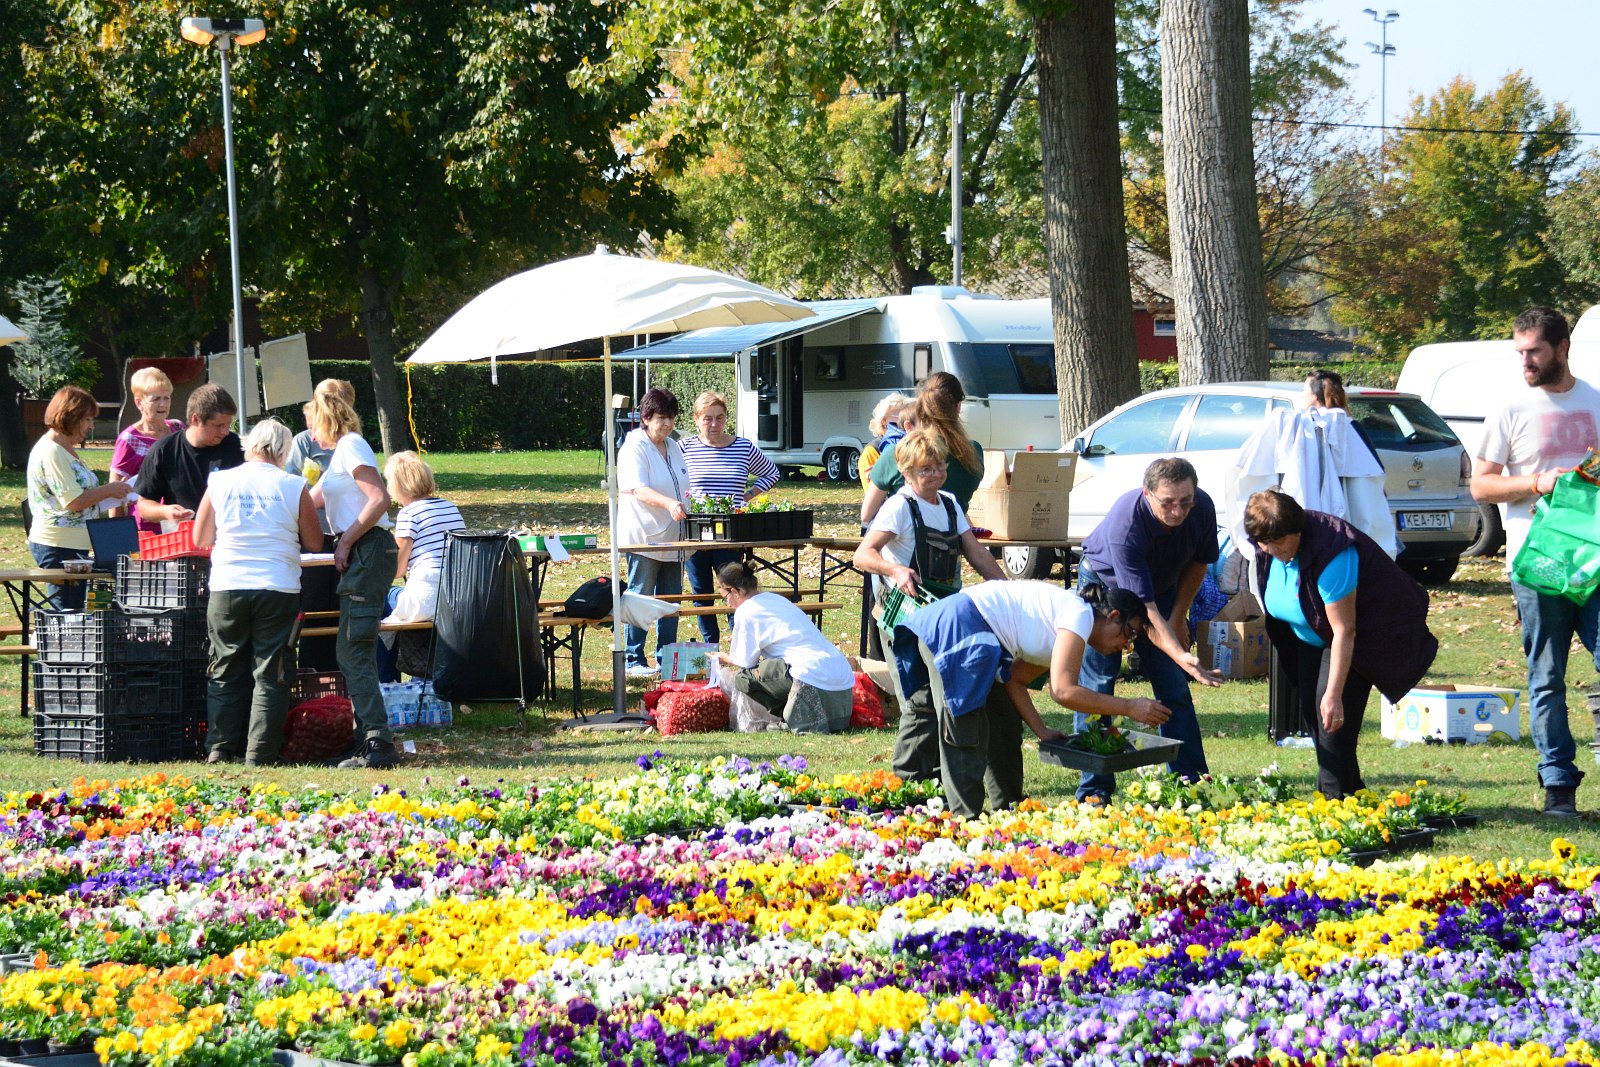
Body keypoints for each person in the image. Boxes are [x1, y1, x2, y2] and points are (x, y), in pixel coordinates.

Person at [888, 579, 1171, 817]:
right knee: (965, 731)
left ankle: (1006, 810)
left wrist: (1042, 731)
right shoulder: (1079, 616)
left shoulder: (1068, 623)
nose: (1126, 645)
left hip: (963, 630)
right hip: (962, 628)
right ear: (1112, 616)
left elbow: (1015, 679)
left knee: (1002, 721)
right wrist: (1129, 707)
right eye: (1129, 632)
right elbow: (1062, 691)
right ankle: (965, 823)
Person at [1470, 306, 1600, 818]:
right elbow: (1481, 484)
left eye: (1534, 352)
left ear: (1562, 348)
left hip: (1593, 561)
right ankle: (1558, 786)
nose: (1525, 361)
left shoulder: (1595, 401)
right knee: (1546, 675)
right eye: (1520, 352)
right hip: (1538, 562)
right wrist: (1534, 482)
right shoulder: (1510, 408)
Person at [1244, 489, 1438, 799]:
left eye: (1277, 543)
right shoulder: (1268, 544)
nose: (1269, 550)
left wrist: (1334, 693)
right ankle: (1352, 793)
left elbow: (1344, 630)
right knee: (1313, 711)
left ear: (1298, 532)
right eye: (1263, 543)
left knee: (1331, 718)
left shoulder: (1333, 552)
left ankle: (1332, 801)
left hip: (1359, 638)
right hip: (1310, 635)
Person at [854, 429, 1008, 784]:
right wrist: (895, 569)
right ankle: (906, 780)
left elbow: (976, 553)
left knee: (949, 697)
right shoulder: (899, 506)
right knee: (919, 701)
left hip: (944, 615)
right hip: (904, 617)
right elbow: (864, 555)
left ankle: (937, 775)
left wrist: (1007, 590)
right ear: (906, 473)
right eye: (926, 470)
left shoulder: (950, 503)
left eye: (939, 466)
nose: (936, 474)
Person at [1075, 456, 1223, 801]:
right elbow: (1146, 611)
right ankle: (1095, 794)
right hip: (1107, 586)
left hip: (1163, 590)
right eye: (1168, 503)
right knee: (1098, 688)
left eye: (1185, 502)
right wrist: (1182, 655)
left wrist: (1178, 618)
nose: (1178, 512)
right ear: (1147, 493)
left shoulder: (1201, 507)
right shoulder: (1128, 526)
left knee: (1174, 689)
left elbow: (1199, 562)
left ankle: (1192, 787)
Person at [192, 419, 322, 766]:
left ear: (250, 446)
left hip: (228, 584)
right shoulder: (294, 485)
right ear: (283, 451)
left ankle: (220, 746)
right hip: (277, 584)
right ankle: (260, 753)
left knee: (225, 667)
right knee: (272, 671)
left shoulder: (219, 480)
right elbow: (313, 541)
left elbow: (201, 537)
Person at [307, 390, 400, 770]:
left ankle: (377, 742)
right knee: (351, 649)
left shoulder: (352, 446)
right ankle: (366, 738)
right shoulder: (340, 456)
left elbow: (380, 499)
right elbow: (307, 500)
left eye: (312, 423)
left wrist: (346, 540)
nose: (310, 434)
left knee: (353, 649)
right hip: (363, 552)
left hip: (368, 549)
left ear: (325, 419)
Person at [707, 561, 855, 733]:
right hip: (841, 676)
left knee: (743, 678)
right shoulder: (775, 598)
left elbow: (745, 663)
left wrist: (725, 658)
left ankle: (787, 717)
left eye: (725, 598)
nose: (727, 604)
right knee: (769, 668)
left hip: (810, 674)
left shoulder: (745, 610)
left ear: (735, 591)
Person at [679, 391, 779, 644]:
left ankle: (739, 639)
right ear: (696, 419)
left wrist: (748, 495)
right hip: (696, 530)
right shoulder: (684, 448)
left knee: (734, 586)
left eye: (720, 418)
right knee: (702, 591)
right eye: (708, 419)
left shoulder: (742, 447)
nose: (714, 424)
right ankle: (708, 643)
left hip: (731, 530)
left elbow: (772, 473)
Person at [26, 386, 133, 610]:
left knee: (74, 610)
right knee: (66, 613)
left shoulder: (64, 449)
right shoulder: (52, 451)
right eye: (87, 419)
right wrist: (110, 489)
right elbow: (73, 502)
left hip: (71, 544)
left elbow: (81, 498)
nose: (91, 426)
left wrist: (114, 493)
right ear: (70, 416)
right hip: (57, 546)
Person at [618, 387, 690, 677]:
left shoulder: (673, 445)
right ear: (646, 418)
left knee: (671, 601)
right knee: (641, 596)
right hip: (643, 536)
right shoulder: (634, 446)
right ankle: (634, 659)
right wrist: (670, 502)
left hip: (674, 536)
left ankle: (666, 657)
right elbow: (639, 489)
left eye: (671, 418)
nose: (668, 424)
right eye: (662, 418)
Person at [376, 451, 465, 682]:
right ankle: (416, 675)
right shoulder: (450, 508)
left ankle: (386, 680)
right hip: (457, 594)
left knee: (379, 601)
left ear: (398, 485)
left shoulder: (409, 514)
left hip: (428, 596)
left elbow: (396, 570)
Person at [860, 372, 984, 525]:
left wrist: (883, 476)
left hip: (906, 543)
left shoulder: (895, 453)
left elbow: (866, 515)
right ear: (958, 407)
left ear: (921, 404)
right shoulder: (973, 453)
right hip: (951, 542)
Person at [132, 383, 244, 524]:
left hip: (227, 536)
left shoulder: (233, 445)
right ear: (195, 419)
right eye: (219, 425)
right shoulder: (164, 450)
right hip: (184, 539)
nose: (225, 431)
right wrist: (165, 511)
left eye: (228, 425)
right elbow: (144, 505)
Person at [109, 367, 183, 533]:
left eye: (167, 398)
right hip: (147, 527)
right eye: (156, 399)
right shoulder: (129, 439)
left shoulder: (179, 428)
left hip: (179, 520)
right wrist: (118, 535)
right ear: (139, 402)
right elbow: (115, 494)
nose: (163, 404)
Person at [287, 378, 356, 534]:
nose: (313, 436)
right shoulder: (303, 441)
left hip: (349, 527)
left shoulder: (351, 443)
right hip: (320, 527)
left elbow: (377, 498)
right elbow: (293, 485)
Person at [859, 392, 913, 492]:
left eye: (908, 417)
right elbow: (874, 492)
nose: (905, 421)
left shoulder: (912, 444)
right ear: (884, 420)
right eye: (900, 417)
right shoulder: (872, 450)